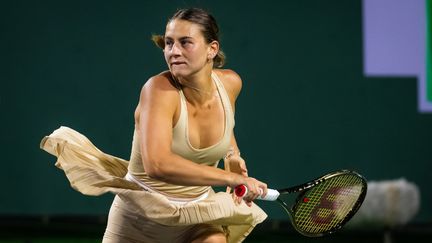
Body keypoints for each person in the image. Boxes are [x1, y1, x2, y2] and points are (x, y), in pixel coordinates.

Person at [40, 7, 268, 243]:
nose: (173, 51)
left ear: (212, 49)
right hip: (139, 222)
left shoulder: (230, 84)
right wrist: (230, 179)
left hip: (197, 217)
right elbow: (157, 164)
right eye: (168, 43)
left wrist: (232, 155)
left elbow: (224, 121)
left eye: (185, 42)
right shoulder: (158, 90)